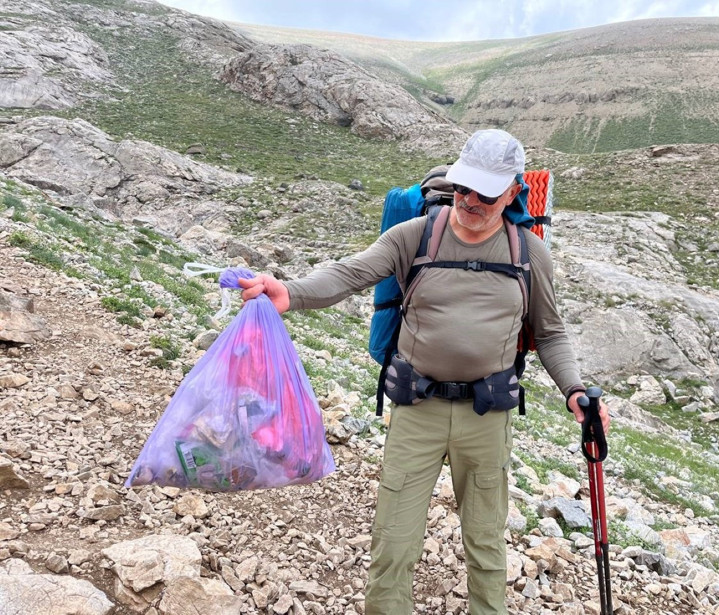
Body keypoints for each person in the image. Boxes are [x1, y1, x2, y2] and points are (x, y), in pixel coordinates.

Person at [239, 128, 611, 615]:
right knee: (393, 543)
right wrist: (291, 291)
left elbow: (550, 333)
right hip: (416, 410)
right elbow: (350, 273)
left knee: (485, 546)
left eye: (485, 192)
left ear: (513, 192)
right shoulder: (414, 235)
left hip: (487, 417)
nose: (470, 201)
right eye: (462, 188)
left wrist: (574, 391)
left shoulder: (528, 253)